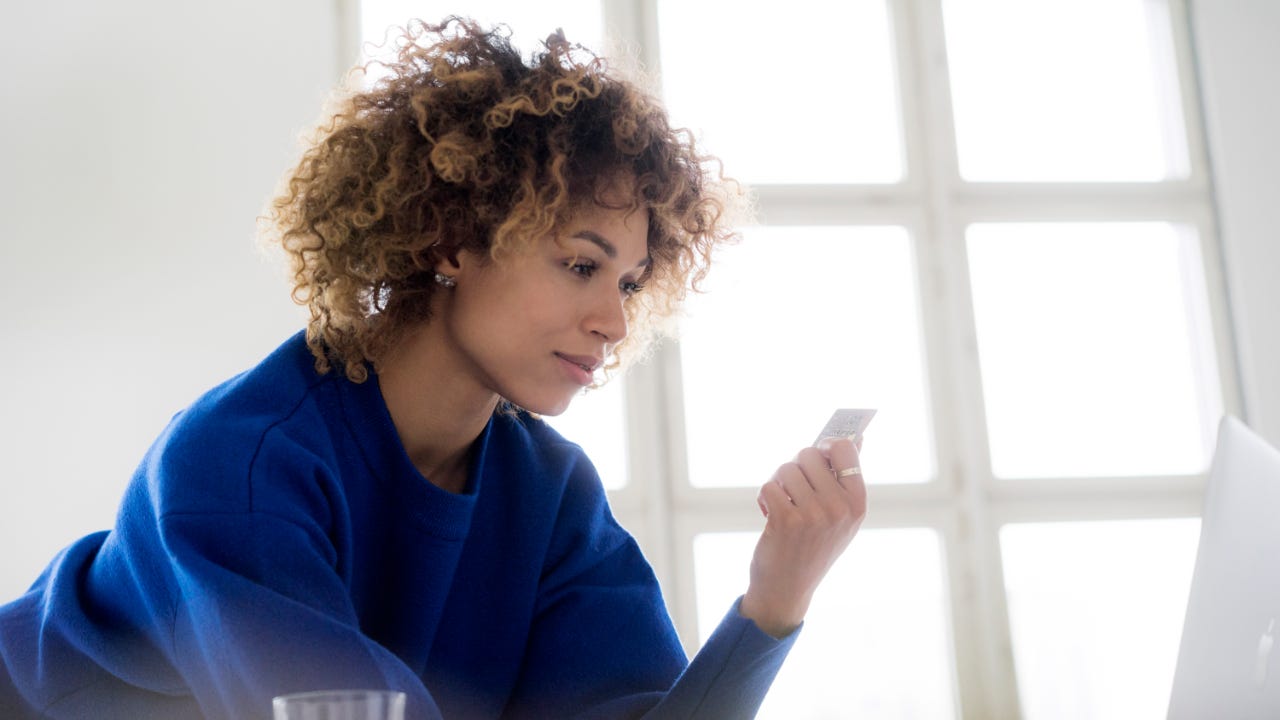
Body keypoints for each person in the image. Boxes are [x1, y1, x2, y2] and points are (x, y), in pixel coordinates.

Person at [0, 17, 866, 719]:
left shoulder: (551, 495)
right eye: (579, 265)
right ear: (452, 238)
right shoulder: (243, 465)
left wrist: (775, 597)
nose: (611, 321)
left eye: (630, 283)